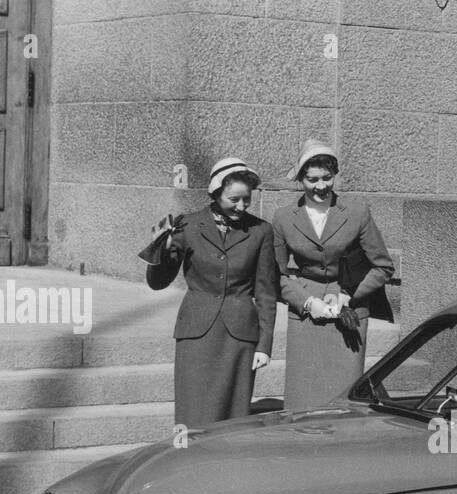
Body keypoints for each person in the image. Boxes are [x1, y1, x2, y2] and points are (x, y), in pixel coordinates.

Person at [142, 157, 278, 429]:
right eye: (233, 199)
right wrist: (161, 247)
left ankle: (229, 468)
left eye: (246, 200)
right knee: (191, 412)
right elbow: (157, 282)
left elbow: (266, 293)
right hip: (196, 332)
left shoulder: (261, 231)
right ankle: (184, 460)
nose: (241, 206)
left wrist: (264, 345)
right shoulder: (187, 225)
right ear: (216, 194)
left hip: (240, 335)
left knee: (234, 415)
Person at [273, 140, 395, 411]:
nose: (320, 186)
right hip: (306, 313)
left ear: (335, 175)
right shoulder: (282, 218)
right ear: (300, 179)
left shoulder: (357, 213)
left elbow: (383, 267)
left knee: (343, 400)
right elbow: (276, 275)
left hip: (348, 312)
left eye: (327, 178)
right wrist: (306, 302)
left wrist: (348, 294)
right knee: (304, 398)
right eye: (312, 179)